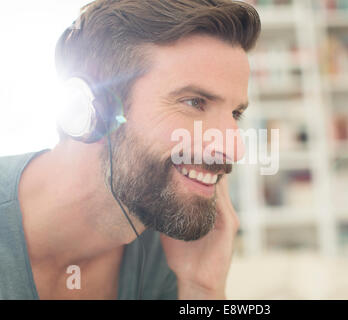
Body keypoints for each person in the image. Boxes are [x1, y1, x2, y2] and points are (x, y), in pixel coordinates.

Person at [0, 0, 260, 299]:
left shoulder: (173, 254)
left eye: (235, 114)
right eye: (194, 102)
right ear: (95, 109)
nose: (234, 148)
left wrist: (202, 287)